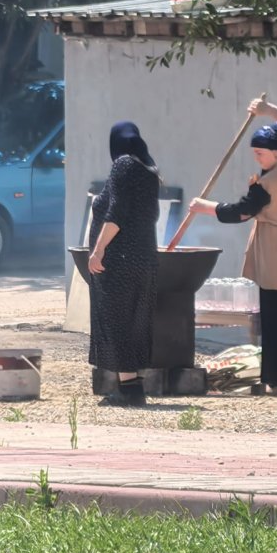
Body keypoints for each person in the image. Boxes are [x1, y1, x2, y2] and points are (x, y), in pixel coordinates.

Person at [188, 98, 277, 398]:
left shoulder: (267, 186)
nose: (258, 160)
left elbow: (240, 212)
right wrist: (268, 111)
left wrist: (205, 207)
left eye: (260, 154)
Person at [87, 121, 160, 407]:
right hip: (144, 258)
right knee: (135, 320)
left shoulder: (123, 166)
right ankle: (134, 386)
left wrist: (98, 250)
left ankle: (128, 390)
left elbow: (117, 212)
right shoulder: (148, 170)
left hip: (119, 259)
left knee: (116, 320)